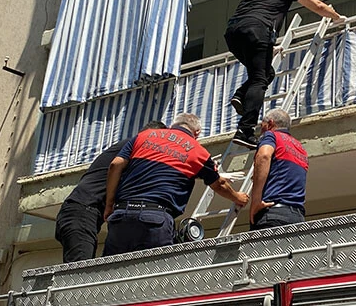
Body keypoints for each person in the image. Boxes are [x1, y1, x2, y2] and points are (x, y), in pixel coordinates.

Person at [225, 0, 346, 149]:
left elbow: (255, 12)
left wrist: (269, 47)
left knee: (266, 73)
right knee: (260, 79)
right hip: (258, 30)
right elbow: (318, 6)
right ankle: (245, 130)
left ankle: (241, 95)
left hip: (233, 34)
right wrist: (336, 17)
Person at [102, 113, 249, 256]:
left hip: (121, 215)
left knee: (113, 269)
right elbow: (218, 184)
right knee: (158, 270)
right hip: (155, 219)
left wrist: (109, 205)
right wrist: (238, 197)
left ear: (172, 126)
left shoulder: (143, 136)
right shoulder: (199, 152)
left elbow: (115, 165)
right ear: (197, 132)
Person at [54, 120, 166, 263]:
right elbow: (115, 166)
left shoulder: (126, 149)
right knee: (80, 271)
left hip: (80, 212)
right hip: (82, 211)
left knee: (85, 268)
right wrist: (110, 204)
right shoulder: (135, 146)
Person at [249, 109, 308, 230]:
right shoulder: (300, 148)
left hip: (272, 214)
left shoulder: (271, 135)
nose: (261, 130)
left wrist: (256, 200)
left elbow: (264, 156)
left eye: (262, 126)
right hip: (297, 218)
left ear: (270, 123)